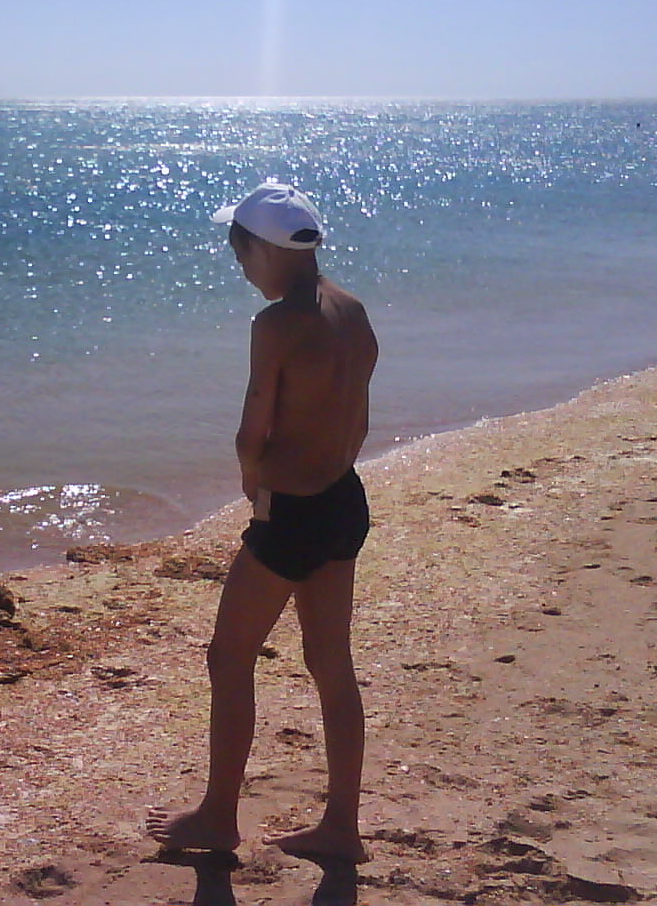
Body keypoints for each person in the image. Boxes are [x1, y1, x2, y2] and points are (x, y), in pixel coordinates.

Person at [146, 181, 378, 864]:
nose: (243, 270)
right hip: (344, 500)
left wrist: (254, 481)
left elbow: (253, 427)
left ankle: (218, 817)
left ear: (266, 251)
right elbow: (356, 417)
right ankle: (341, 826)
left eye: (241, 255)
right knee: (331, 662)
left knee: (229, 657)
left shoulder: (275, 324)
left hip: (292, 515)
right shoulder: (353, 310)